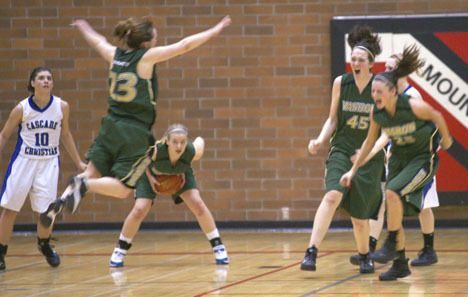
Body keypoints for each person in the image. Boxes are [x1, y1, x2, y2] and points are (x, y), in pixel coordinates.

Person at [40, 16, 232, 226]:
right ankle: (84, 184)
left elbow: (98, 41)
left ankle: (58, 203)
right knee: (123, 189)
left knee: (91, 171)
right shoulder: (146, 58)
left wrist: (84, 27)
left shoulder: (114, 55)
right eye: (155, 35)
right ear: (145, 42)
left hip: (109, 126)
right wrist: (214, 30)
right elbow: (184, 45)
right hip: (133, 133)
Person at [340, 45, 453, 281]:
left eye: (380, 92)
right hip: (400, 159)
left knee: (395, 194)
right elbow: (370, 143)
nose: (376, 96)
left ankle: (395, 242)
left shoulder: (412, 103)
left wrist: (447, 138)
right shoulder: (378, 113)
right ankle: (400, 262)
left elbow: (438, 116)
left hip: (422, 158)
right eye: (373, 93)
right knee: (392, 204)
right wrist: (352, 170)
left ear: (393, 91)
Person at [300, 25, 385, 274]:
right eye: (353, 59)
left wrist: (367, 154)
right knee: (332, 196)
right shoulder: (341, 82)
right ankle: (311, 251)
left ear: (371, 64)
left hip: (368, 155)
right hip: (342, 147)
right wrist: (319, 139)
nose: (355, 63)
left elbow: (385, 131)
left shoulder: (379, 89)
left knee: (359, 218)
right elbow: (333, 120)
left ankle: (364, 255)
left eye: (360, 60)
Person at [0, 67, 86, 270]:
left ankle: (44, 244)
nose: (46, 81)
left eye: (49, 78)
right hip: (23, 162)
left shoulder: (61, 106)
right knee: (10, 209)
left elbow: (65, 134)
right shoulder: (22, 109)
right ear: (32, 83)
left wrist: (79, 162)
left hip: (49, 162)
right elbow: (4, 135)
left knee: (47, 212)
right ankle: (1, 251)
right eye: (41, 78)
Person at [109, 123, 229, 267]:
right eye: (175, 142)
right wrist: (150, 177)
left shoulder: (191, 151)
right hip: (149, 175)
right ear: (167, 141)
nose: (179, 146)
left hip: (180, 173)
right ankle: (120, 250)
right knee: (140, 209)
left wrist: (182, 170)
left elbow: (200, 141)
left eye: (182, 142)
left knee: (198, 204)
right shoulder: (156, 151)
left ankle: (218, 246)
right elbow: (140, 163)